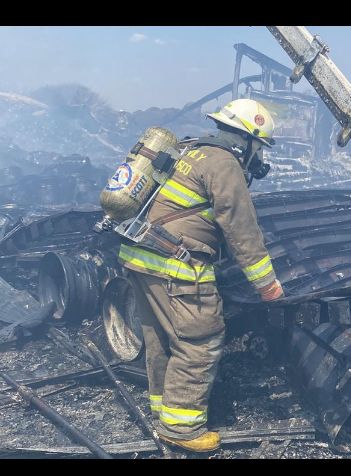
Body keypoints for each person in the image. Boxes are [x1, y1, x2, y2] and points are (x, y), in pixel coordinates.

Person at [118, 99, 284, 452]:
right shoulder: (225, 164)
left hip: (140, 255)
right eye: (260, 147)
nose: (260, 157)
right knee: (199, 341)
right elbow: (241, 227)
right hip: (176, 264)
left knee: (162, 338)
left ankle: (164, 415)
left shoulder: (190, 149)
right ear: (248, 140)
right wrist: (266, 284)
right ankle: (182, 430)